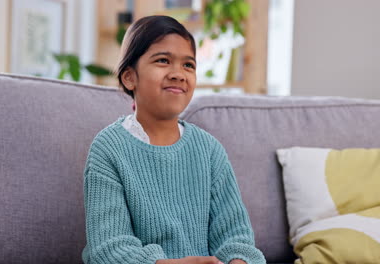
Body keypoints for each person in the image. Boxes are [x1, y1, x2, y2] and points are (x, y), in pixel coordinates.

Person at [82, 15, 265, 264]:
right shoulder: (109, 149)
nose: (178, 74)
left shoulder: (209, 150)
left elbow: (236, 238)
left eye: (188, 65)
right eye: (163, 61)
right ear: (129, 77)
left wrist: (237, 261)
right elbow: (109, 248)